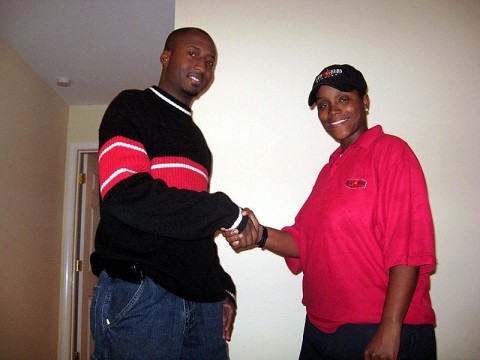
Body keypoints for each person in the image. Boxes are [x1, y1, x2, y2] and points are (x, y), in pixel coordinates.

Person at [223, 64, 436, 360]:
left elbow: (408, 247)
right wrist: (257, 235)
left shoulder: (392, 152)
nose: (332, 111)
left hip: (374, 329)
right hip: (320, 329)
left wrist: (390, 329)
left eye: (343, 99)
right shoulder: (329, 170)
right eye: (323, 105)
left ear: (365, 102)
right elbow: (302, 242)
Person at [89, 27, 258, 360]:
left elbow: (190, 226)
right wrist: (223, 209)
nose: (203, 66)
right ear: (166, 57)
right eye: (193, 53)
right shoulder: (132, 106)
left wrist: (222, 286)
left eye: (210, 61)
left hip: (203, 302)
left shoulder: (199, 144)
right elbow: (125, 194)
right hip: (144, 295)